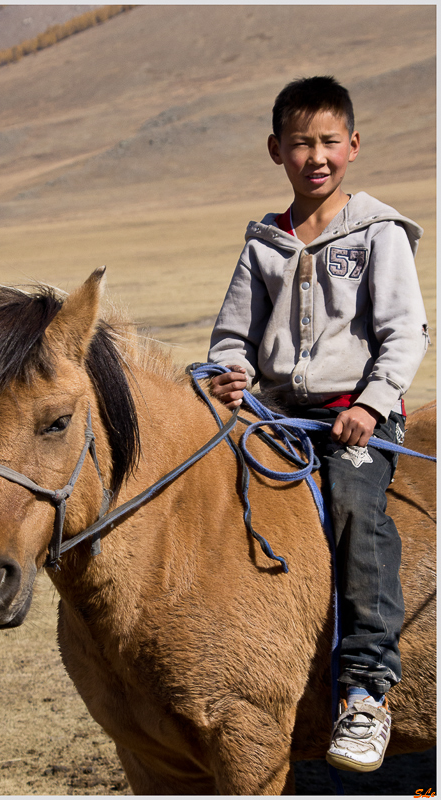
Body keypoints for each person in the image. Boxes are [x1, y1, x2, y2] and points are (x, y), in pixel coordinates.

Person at [207, 76, 429, 773]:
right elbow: (229, 337)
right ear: (277, 150)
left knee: (361, 520)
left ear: (353, 145)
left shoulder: (379, 233)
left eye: (329, 141)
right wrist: (228, 372)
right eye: (300, 143)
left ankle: (365, 694)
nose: (316, 156)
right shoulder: (263, 244)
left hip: (354, 419)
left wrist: (370, 403)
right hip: (274, 417)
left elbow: (405, 334)